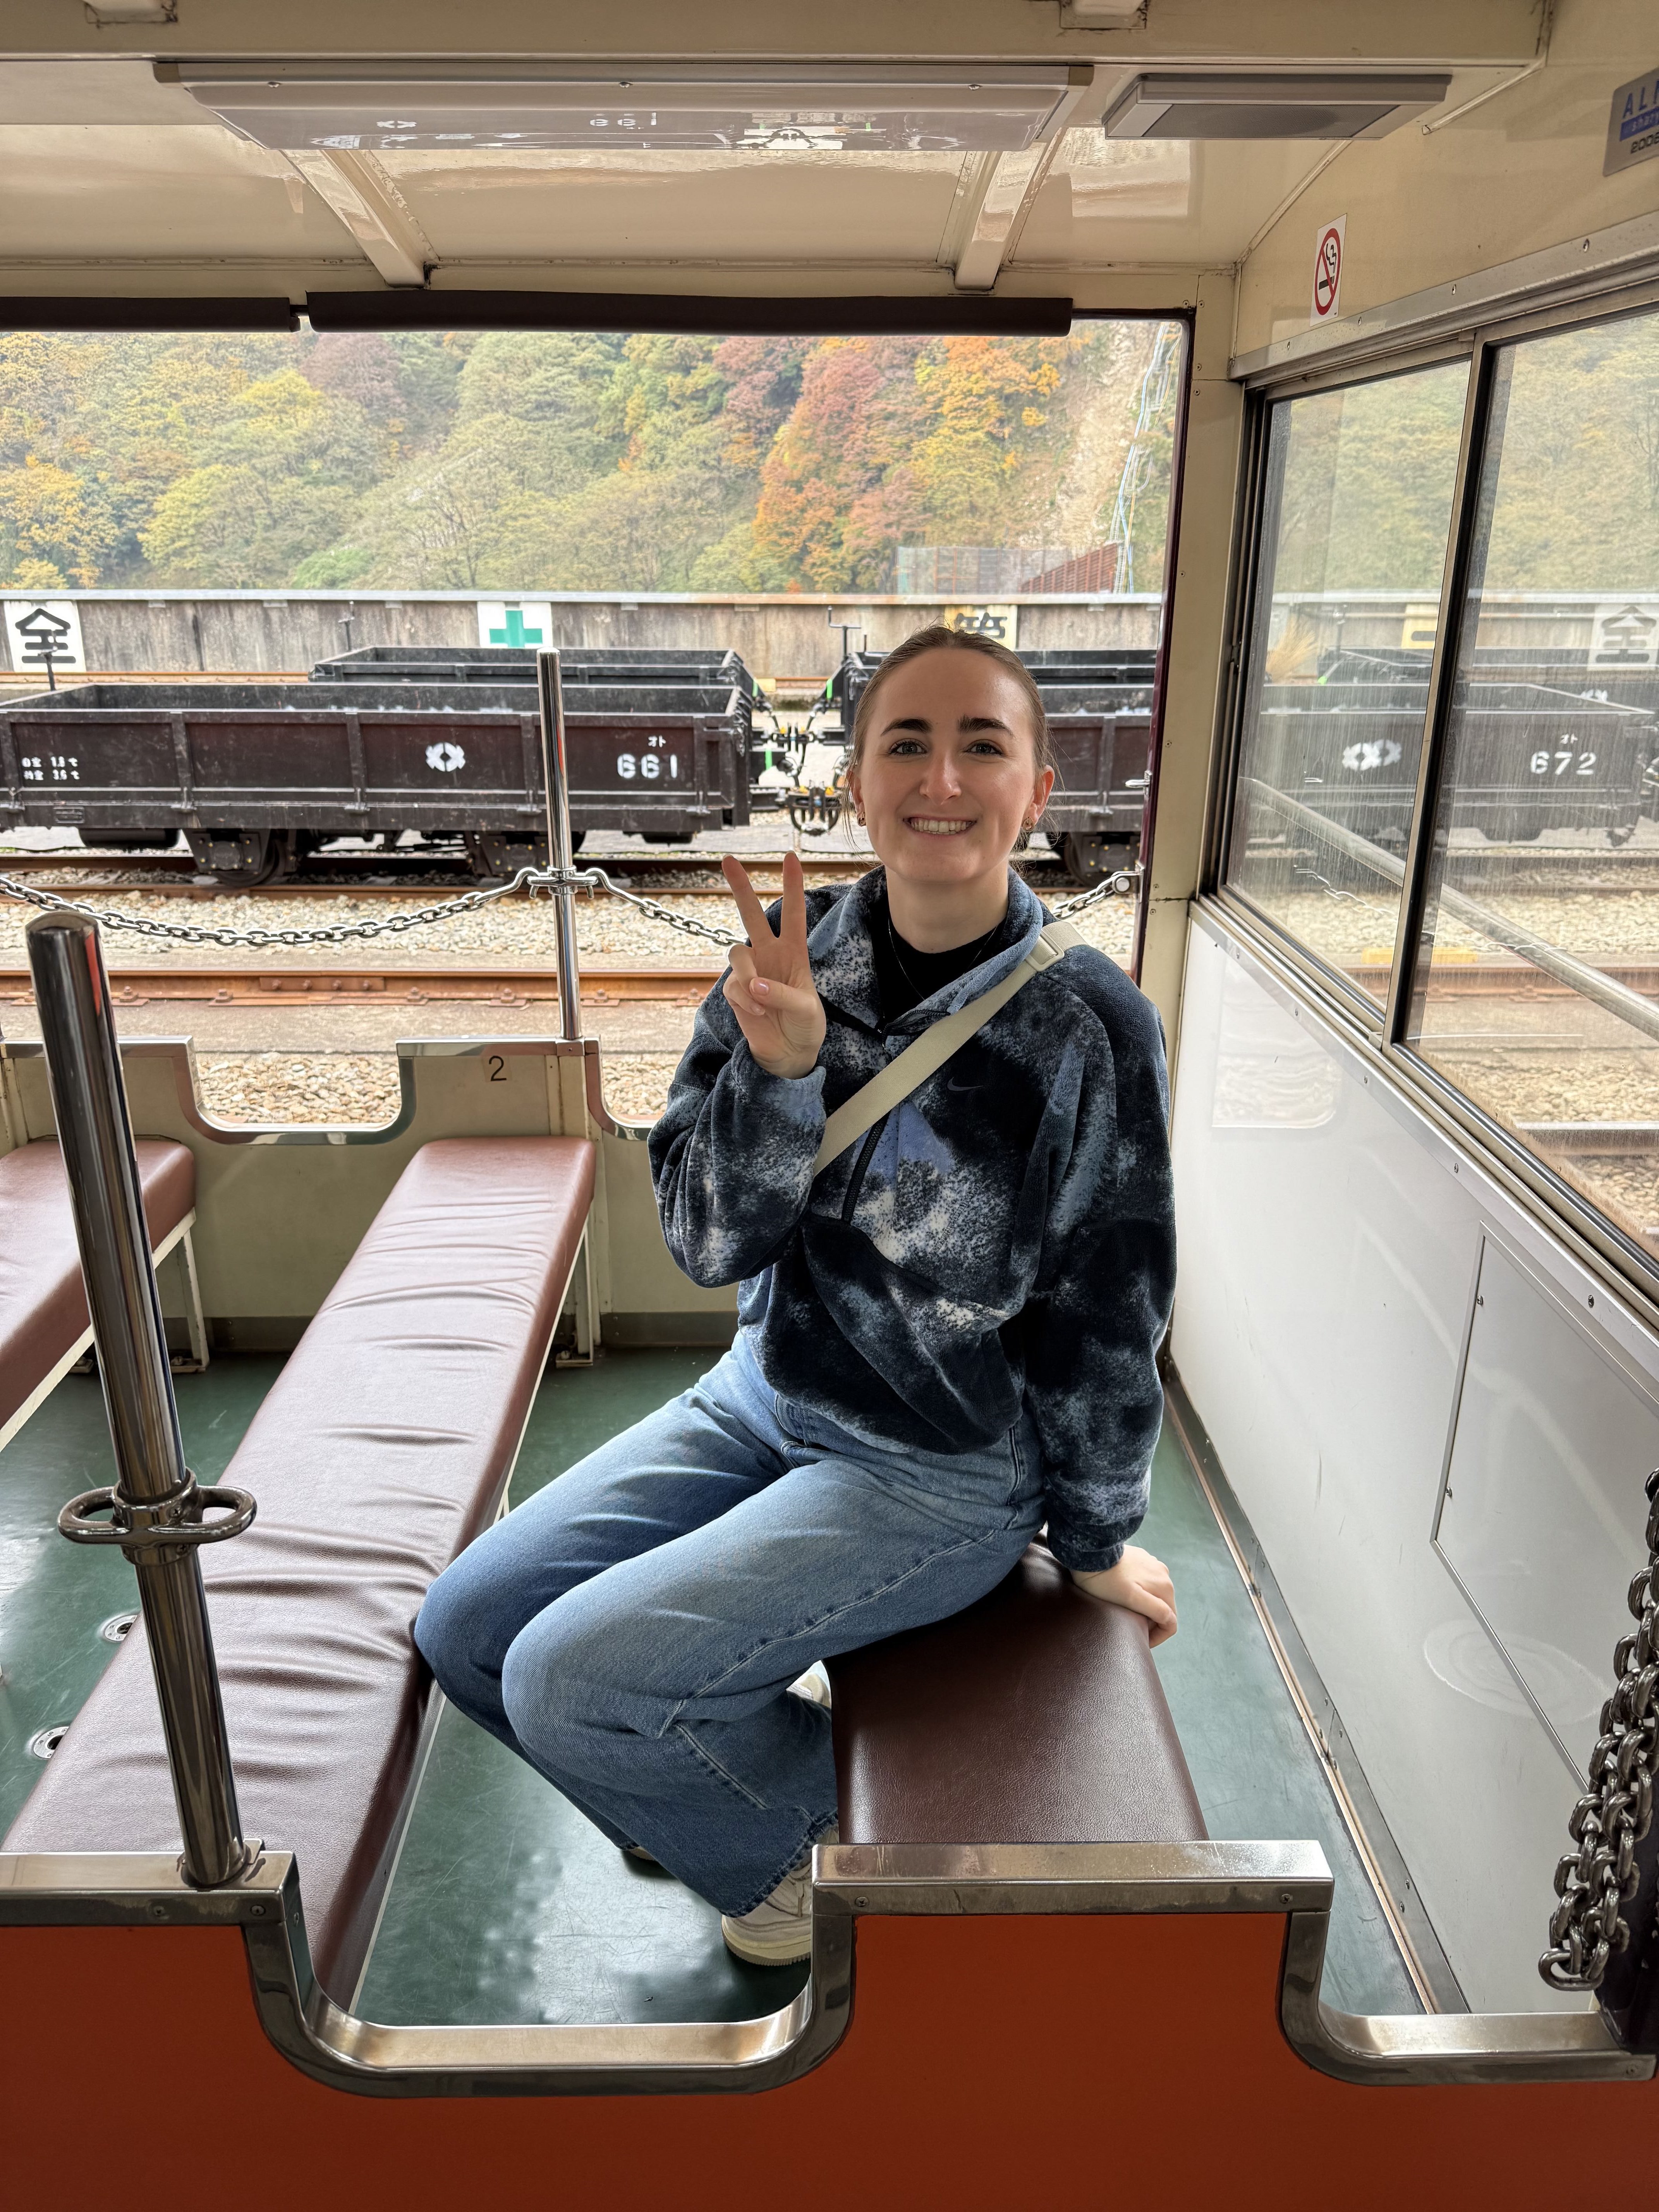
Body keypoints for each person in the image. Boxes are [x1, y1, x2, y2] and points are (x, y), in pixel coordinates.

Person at [415, 624, 1178, 1966]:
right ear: (855, 783)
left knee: (567, 1683)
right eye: (906, 742)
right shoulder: (795, 960)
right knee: (466, 1631)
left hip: (937, 1469)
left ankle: (798, 1866)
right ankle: (696, 1785)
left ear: (1037, 793)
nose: (942, 776)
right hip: (761, 1399)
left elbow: (1109, 1306)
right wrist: (778, 1074)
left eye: (981, 745)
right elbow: (709, 1248)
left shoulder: (1087, 1028)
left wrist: (1097, 1541)